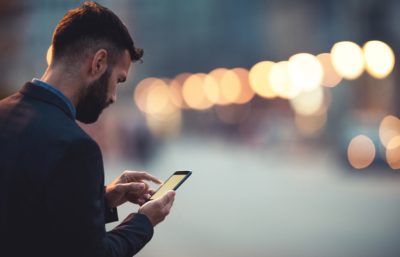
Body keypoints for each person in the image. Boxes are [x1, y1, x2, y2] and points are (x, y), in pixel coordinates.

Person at [0, 2, 175, 257]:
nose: (114, 96)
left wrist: (102, 201)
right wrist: (144, 221)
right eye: (119, 80)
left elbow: (26, 217)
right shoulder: (76, 147)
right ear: (99, 63)